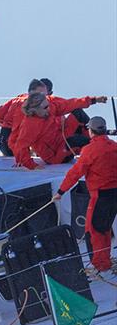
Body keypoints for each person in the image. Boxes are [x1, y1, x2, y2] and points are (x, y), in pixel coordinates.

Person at [54, 116, 117, 273]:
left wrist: (60, 191)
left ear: (91, 131)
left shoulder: (89, 151)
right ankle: (105, 260)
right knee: (105, 227)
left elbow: (74, 173)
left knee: (94, 230)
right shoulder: (114, 146)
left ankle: (101, 264)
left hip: (99, 195)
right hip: (114, 194)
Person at [11, 94, 107, 170]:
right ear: (34, 110)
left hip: (62, 137)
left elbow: (71, 104)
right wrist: (32, 165)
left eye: (48, 105)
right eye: (45, 107)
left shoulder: (49, 109)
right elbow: (20, 146)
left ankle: (104, 143)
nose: (48, 108)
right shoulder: (29, 126)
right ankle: (102, 154)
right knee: (80, 140)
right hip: (55, 155)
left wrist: (94, 100)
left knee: (78, 112)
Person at [0, 79, 47, 157]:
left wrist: (6, 123)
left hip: (3, 144)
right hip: (14, 148)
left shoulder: (16, 100)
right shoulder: (31, 105)